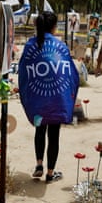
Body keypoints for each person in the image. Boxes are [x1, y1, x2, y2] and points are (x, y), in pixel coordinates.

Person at [18, 11, 80, 183]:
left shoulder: (31, 46)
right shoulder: (60, 46)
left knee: (39, 129)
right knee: (54, 135)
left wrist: (27, 94)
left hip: (38, 101)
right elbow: (72, 75)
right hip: (57, 100)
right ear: (54, 27)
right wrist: (69, 96)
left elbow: (23, 73)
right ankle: (50, 173)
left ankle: (39, 164)